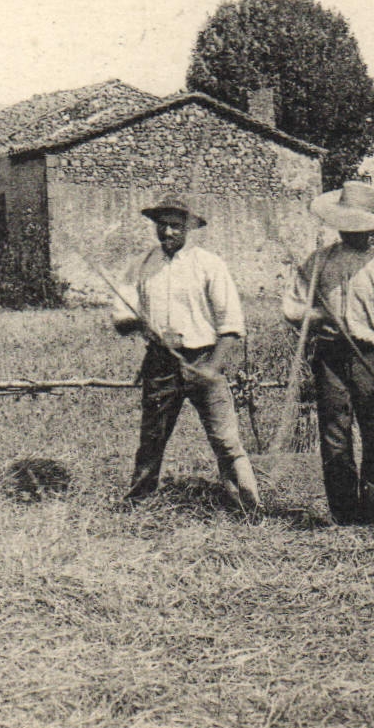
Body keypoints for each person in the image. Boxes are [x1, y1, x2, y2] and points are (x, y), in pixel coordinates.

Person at [281, 181, 374, 526]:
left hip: (372, 357)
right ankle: (344, 518)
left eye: (362, 225)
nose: (355, 232)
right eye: (348, 224)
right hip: (330, 358)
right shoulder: (319, 261)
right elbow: (292, 306)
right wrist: (317, 316)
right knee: (334, 440)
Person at [112, 195, 262, 513]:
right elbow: (120, 319)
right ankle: (138, 505)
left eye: (175, 226)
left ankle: (250, 505)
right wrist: (141, 324)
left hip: (205, 359)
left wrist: (212, 367)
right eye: (161, 225)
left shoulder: (209, 265)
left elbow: (232, 324)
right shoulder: (141, 265)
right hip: (160, 363)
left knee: (225, 440)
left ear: (189, 228)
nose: (167, 233)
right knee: (152, 438)